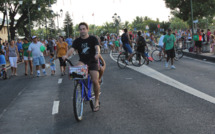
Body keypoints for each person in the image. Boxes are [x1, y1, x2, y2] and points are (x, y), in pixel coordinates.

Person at [63, 22, 101, 112]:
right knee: (75, 73)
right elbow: (71, 50)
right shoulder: (77, 41)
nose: (82, 30)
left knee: (95, 81)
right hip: (83, 61)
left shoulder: (93, 38)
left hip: (92, 61)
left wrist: (97, 53)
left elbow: (97, 47)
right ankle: (80, 87)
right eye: (80, 29)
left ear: (87, 29)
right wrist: (66, 56)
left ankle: (96, 101)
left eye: (84, 29)